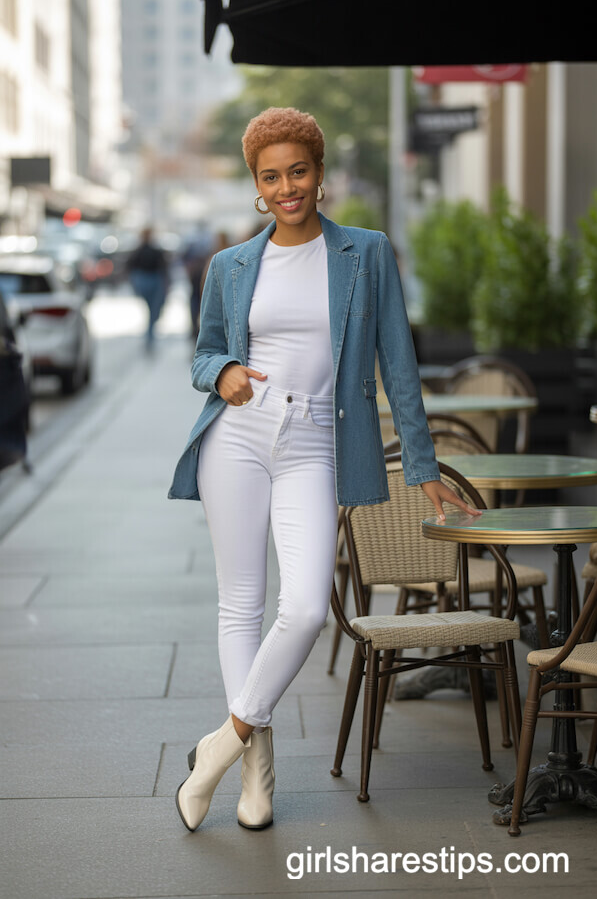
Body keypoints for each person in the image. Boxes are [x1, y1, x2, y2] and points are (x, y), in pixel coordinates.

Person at [168, 107, 480, 833]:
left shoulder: (366, 254)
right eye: (271, 177)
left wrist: (423, 460)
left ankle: (221, 744)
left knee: (305, 606)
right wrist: (224, 376)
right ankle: (256, 775)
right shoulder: (231, 265)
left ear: (319, 172)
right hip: (237, 440)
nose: (287, 188)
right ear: (256, 184)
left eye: (298, 171)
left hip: (313, 442)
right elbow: (203, 353)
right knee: (241, 605)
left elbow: (397, 359)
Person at [126, 226, 169, 350]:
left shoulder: (147, 250)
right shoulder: (143, 250)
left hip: (149, 280)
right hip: (149, 280)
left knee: (152, 310)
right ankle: (150, 337)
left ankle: (149, 336)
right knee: (153, 310)